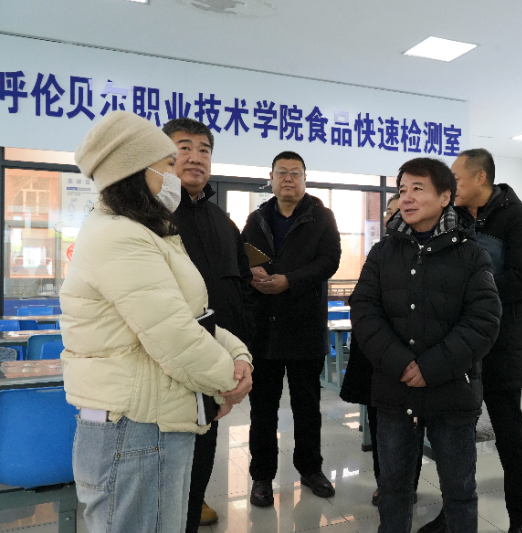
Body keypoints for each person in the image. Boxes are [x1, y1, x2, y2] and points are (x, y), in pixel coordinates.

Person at [61, 111, 253, 533]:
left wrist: (238, 353)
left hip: (157, 421)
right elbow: (173, 335)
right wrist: (228, 380)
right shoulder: (119, 236)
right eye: (168, 162)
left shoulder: (148, 231)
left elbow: (190, 316)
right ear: (136, 169)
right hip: (134, 431)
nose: (175, 172)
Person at [350, 157, 502, 533]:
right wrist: (401, 363)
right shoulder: (383, 253)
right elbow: (364, 312)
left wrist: (430, 367)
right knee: (393, 490)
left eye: (418, 188)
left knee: (459, 492)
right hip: (394, 390)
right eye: (402, 190)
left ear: (445, 197)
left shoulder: (471, 253)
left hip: (451, 393)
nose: (407, 197)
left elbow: (483, 320)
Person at [415, 148, 522, 533]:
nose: (449, 186)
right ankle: (452, 514)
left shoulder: (517, 219)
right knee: (455, 437)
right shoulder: (452, 219)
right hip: (460, 346)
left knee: (509, 435)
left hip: (503, 345)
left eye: (455, 179)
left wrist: (470, 293)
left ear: (480, 178)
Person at [162, 117, 254, 531]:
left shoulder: (222, 221)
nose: (195, 157)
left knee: (204, 445)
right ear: (164, 155)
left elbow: (241, 287)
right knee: (168, 458)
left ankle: (193, 505)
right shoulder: (151, 216)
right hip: (168, 364)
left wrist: (239, 354)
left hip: (216, 361)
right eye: (184, 147)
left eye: (204, 150)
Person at [242, 151, 341, 506]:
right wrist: (251, 272)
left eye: (295, 173)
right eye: (282, 172)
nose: (288, 178)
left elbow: (330, 261)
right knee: (262, 410)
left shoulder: (321, 217)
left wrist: (290, 280)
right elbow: (243, 256)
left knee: (307, 407)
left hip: (304, 327)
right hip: (263, 330)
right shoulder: (257, 218)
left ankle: (310, 469)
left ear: (304, 179)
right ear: (270, 178)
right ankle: (261, 476)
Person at [339, 192, 423, 507]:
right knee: (379, 422)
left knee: (412, 425)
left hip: (414, 357)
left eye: (399, 210)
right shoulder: (380, 251)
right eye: (389, 211)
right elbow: (363, 301)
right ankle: (384, 483)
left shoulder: (428, 252)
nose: (393, 215)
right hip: (377, 353)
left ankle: (408, 485)